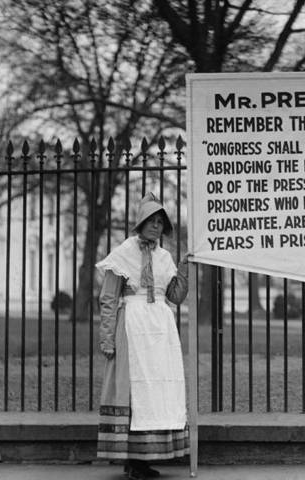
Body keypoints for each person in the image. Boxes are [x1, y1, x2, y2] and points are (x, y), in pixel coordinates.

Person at [96, 192, 189, 480]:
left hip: (160, 329)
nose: (156, 226)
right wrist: (107, 336)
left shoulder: (164, 258)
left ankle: (146, 457)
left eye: (160, 222)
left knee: (156, 390)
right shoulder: (123, 253)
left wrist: (185, 268)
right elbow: (109, 298)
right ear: (140, 223)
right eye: (151, 221)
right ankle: (132, 460)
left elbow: (175, 296)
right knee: (134, 390)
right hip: (133, 327)